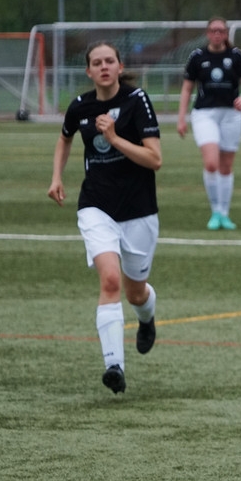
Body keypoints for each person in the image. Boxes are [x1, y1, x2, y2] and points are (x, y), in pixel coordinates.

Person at [48, 42, 162, 395]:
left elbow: (155, 159)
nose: (103, 67)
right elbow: (65, 138)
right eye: (96, 63)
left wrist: (113, 137)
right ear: (88, 71)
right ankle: (114, 366)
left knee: (135, 292)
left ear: (119, 66)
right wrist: (56, 177)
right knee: (110, 280)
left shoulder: (137, 100)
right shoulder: (80, 106)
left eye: (109, 61)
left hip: (139, 209)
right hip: (96, 205)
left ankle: (147, 319)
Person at [176, 17, 241, 231]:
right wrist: (181, 118)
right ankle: (215, 211)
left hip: (231, 115)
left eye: (221, 30)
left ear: (226, 33)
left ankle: (224, 214)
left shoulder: (235, 55)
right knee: (211, 163)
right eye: (213, 30)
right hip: (204, 114)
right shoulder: (197, 56)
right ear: (207, 33)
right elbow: (187, 89)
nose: (217, 34)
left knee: (226, 165)